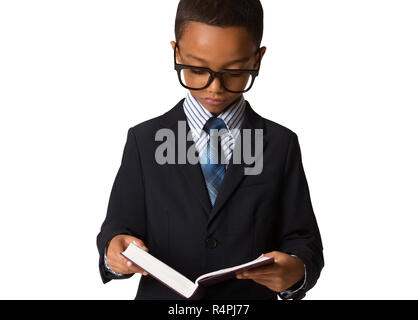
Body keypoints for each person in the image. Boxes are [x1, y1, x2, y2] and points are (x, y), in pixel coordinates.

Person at [97, 0, 324, 300]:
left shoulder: (280, 145)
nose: (214, 88)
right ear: (176, 53)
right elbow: (117, 229)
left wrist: (295, 271)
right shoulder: (145, 140)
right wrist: (115, 253)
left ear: (257, 59)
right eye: (196, 69)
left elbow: (303, 240)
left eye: (234, 71)